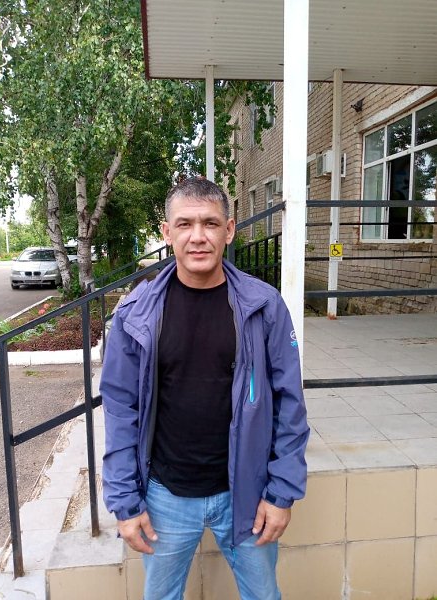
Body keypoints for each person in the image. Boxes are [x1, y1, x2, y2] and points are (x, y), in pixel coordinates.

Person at [100, 177, 309, 600]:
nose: (198, 236)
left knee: (264, 596)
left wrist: (281, 493)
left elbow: (289, 405)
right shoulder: (136, 313)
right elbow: (121, 410)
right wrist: (125, 501)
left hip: (247, 493)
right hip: (165, 495)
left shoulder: (264, 306)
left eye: (210, 223)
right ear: (167, 232)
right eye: (185, 224)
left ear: (229, 230)